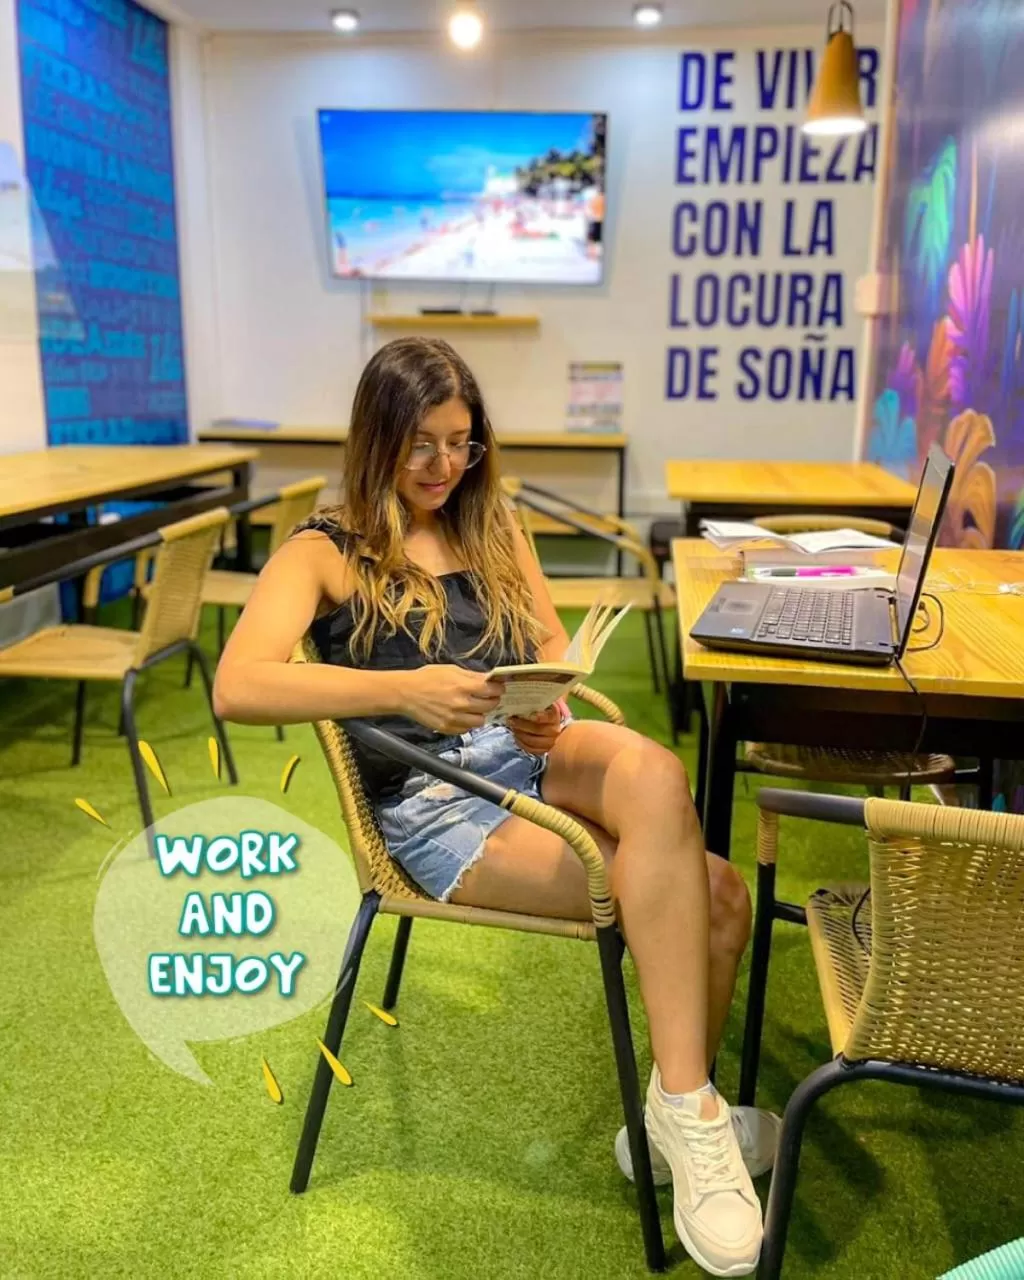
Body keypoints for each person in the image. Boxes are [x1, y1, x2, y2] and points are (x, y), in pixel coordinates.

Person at [213, 337, 775, 1276]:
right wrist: (401, 690)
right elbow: (237, 685)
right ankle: (692, 1118)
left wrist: (547, 701)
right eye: (421, 444)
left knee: (653, 775)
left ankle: (680, 1110)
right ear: (376, 437)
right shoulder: (326, 549)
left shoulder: (488, 521)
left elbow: (549, 638)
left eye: (461, 443)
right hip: (435, 803)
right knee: (717, 899)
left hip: (518, 748)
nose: (444, 467)